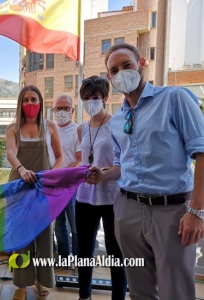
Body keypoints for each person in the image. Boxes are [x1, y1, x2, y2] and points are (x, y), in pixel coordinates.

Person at [86, 43, 204, 300]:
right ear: (110, 78)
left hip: (172, 212)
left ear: (141, 64)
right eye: (114, 70)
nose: (121, 73)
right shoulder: (118, 120)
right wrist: (103, 175)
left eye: (126, 65)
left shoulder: (175, 99)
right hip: (128, 210)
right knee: (139, 290)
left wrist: (196, 211)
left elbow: (201, 152)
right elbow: (123, 164)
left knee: (176, 291)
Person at [6, 85, 63, 300]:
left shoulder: (50, 127)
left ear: (41, 103)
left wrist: (50, 175)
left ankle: (42, 280)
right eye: (26, 100)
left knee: (45, 236)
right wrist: (21, 169)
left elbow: (60, 158)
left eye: (34, 100)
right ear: (20, 104)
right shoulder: (12, 128)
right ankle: (21, 283)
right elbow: (11, 152)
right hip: (18, 188)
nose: (30, 104)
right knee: (21, 237)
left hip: (44, 189)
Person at [76, 76, 127, 300]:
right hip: (85, 196)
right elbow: (82, 160)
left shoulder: (117, 124)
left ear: (105, 98)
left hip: (112, 195)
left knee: (116, 252)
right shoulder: (82, 128)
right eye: (86, 98)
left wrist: (103, 174)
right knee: (84, 251)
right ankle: (84, 295)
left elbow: (124, 162)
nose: (90, 102)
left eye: (94, 98)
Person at [51, 94, 81, 262]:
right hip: (54, 184)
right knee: (59, 225)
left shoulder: (77, 130)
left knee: (75, 224)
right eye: (58, 108)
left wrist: (65, 173)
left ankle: (77, 259)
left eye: (65, 108)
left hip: (72, 185)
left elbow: (80, 158)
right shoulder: (51, 130)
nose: (62, 112)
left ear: (72, 111)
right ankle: (63, 258)